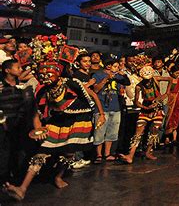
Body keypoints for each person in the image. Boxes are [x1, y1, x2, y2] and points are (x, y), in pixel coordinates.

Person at [2, 38, 106, 201]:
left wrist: (100, 115)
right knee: (41, 152)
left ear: (58, 72)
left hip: (78, 120)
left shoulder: (72, 83)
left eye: (48, 73)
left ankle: (58, 176)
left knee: (69, 153)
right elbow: (36, 110)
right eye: (42, 74)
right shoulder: (43, 89)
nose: (44, 77)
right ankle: (22, 188)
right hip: (57, 121)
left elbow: (91, 97)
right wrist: (39, 128)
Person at [119, 66, 171, 163]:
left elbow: (170, 79)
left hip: (157, 108)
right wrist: (145, 108)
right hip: (145, 108)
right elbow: (136, 102)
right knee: (138, 132)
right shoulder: (139, 86)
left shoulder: (156, 79)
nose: (147, 82)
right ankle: (130, 155)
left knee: (154, 131)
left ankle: (148, 152)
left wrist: (166, 94)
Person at [0, 60, 35, 185]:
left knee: (18, 152)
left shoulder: (22, 86)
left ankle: (15, 180)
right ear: (7, 70)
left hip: (19, 125)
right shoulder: (1, 86)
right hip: (3, 126)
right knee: (4, 153)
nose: (21, 70)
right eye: (18, 67)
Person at [92, 58, 130, 163]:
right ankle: (98, 155)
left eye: (118, 66)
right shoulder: (98, 75)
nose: (116, 68)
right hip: (102, 109)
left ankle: (107, 153)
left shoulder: (117, 77)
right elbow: (95, 90)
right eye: (115, 66)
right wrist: (105, 79)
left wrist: (123, 74)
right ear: (108, 66)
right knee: (99, 132)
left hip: (115, 108)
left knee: (112, 132)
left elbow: (127, 83)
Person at [164, 65, 179, 144]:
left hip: (178, 101)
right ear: (171, 73)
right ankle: (167, 138)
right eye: (176, 73)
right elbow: (167, 91)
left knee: (176, 118)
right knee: (169, 119)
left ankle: (174, 139)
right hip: (171, 101)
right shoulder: (170, 79)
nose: (177, 74)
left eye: (178, 73)